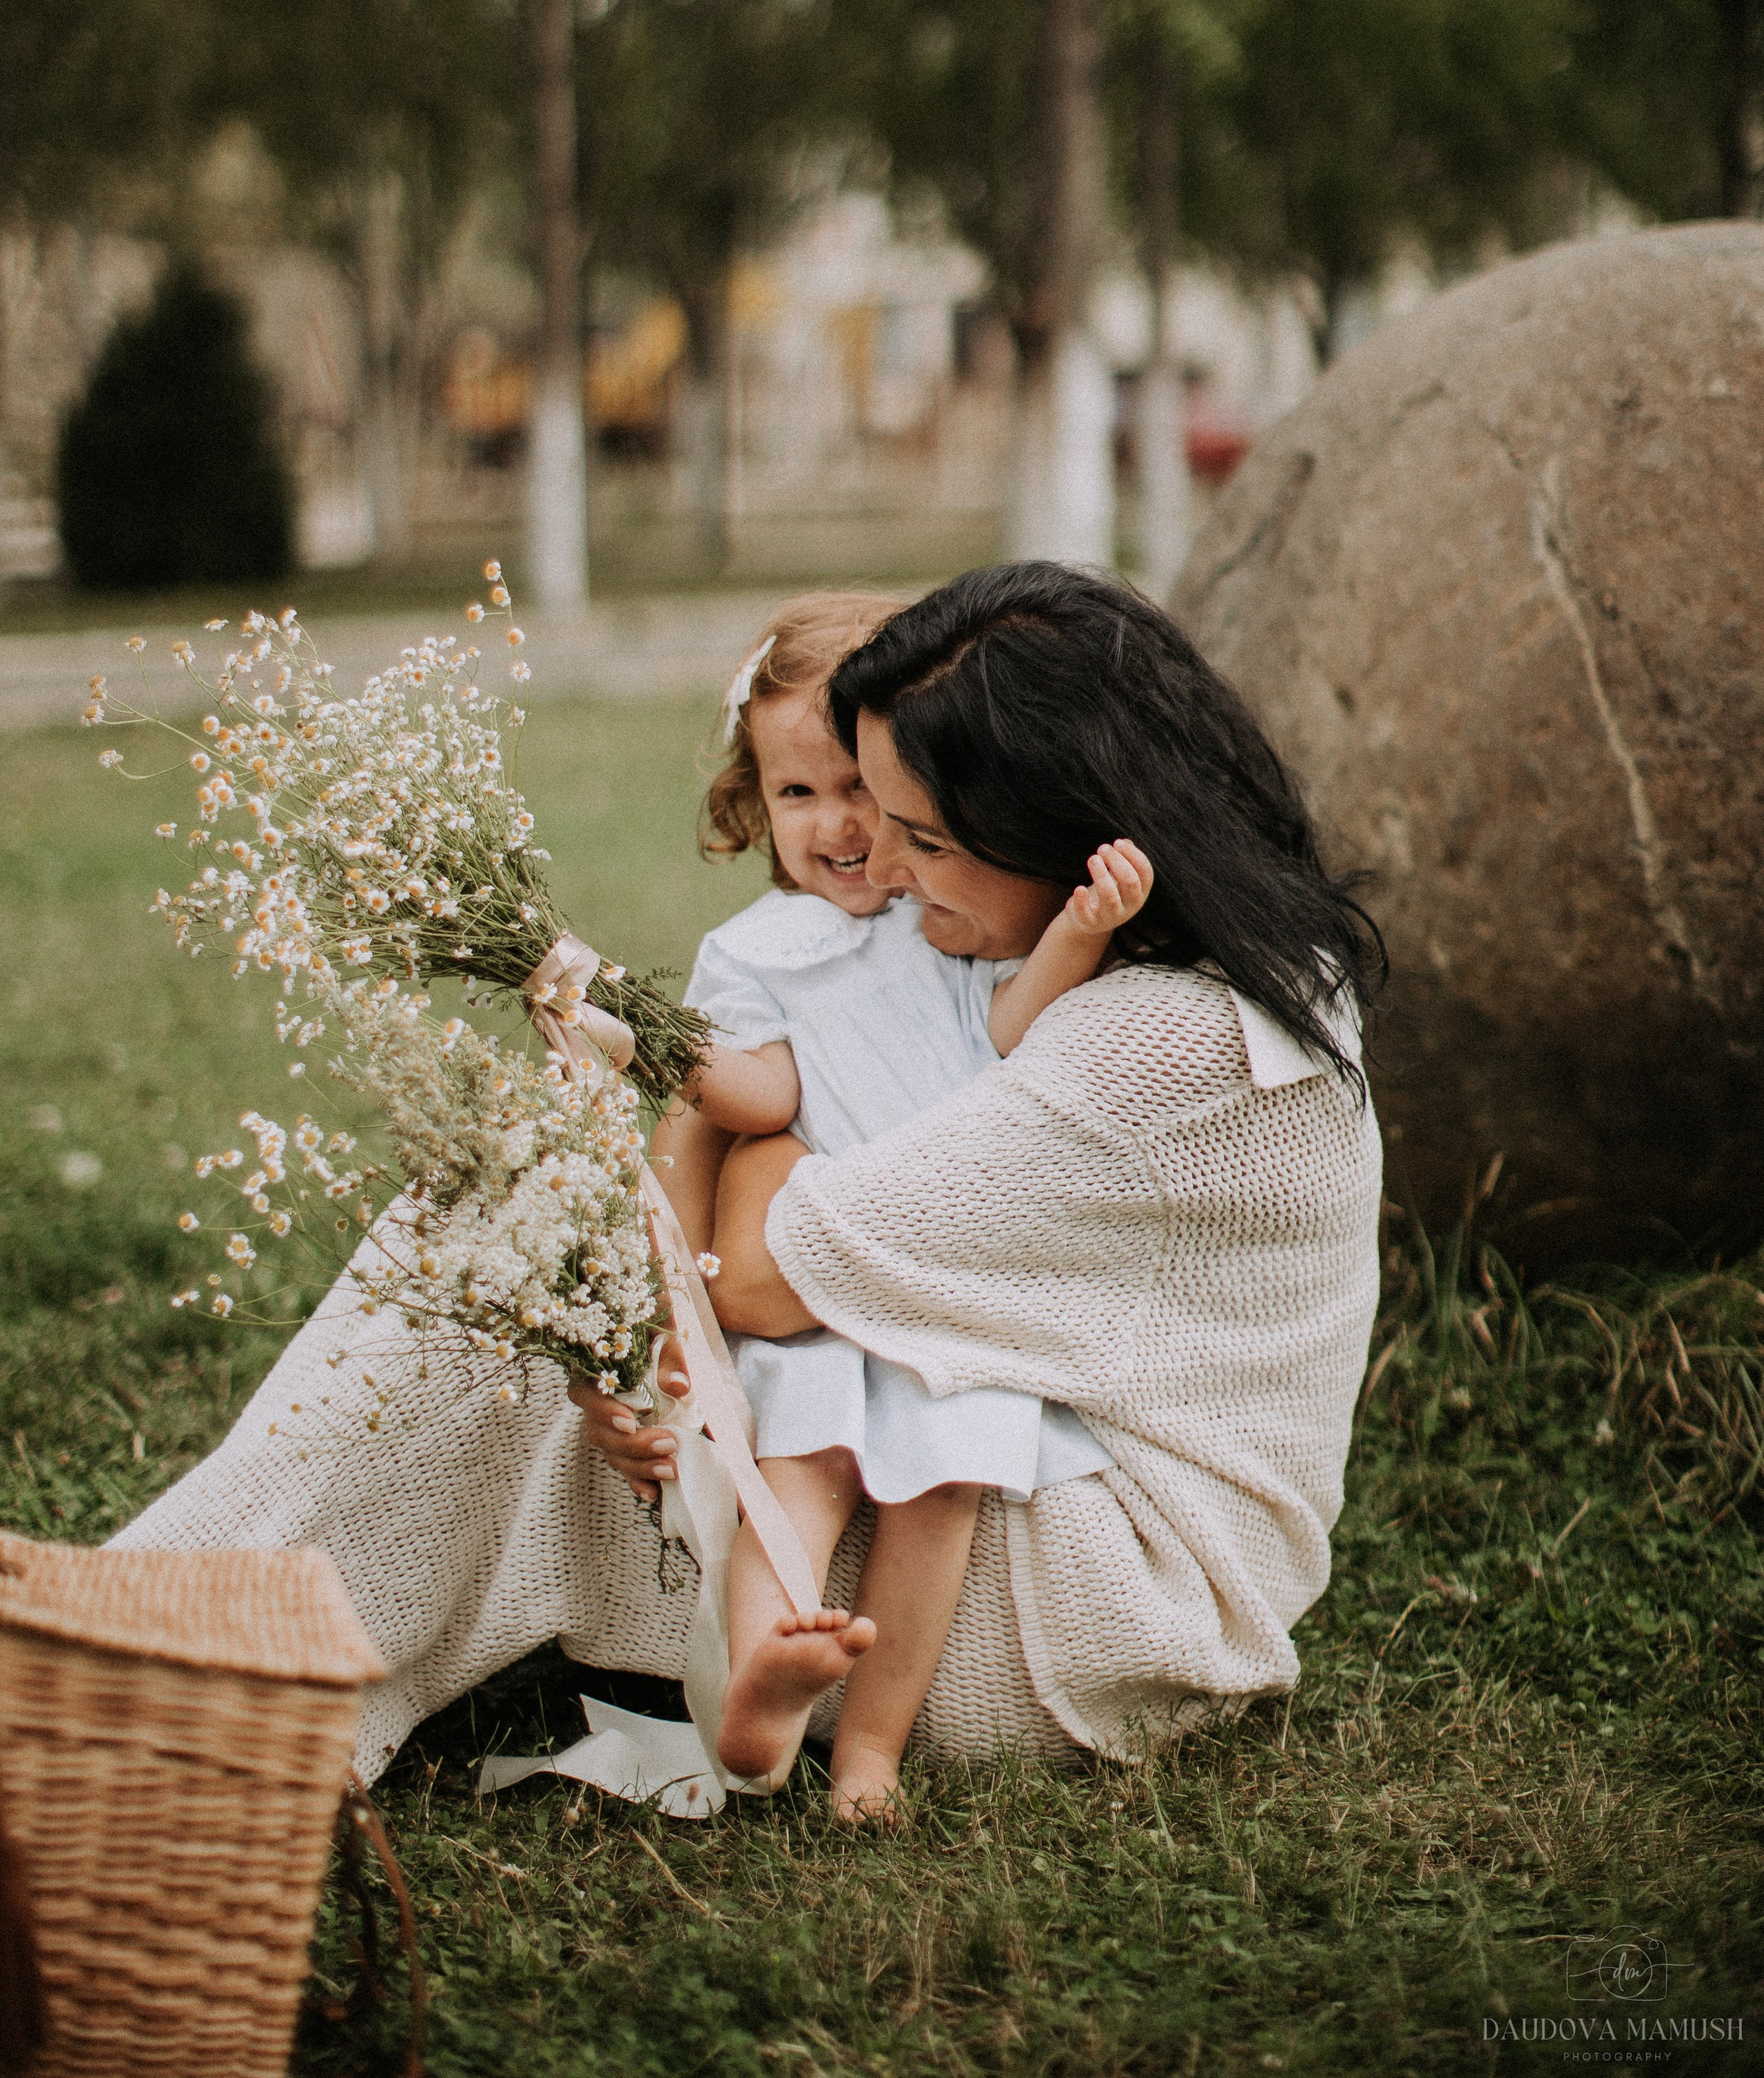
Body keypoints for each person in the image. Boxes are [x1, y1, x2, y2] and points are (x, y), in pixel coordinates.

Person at [116, 562, 1386, 1795]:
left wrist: (740, 1176)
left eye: (924, 839)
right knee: (541, 1238)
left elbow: (774, 1279)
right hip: (1037, 1482)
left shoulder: (1161, 1042)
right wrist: (626, 1323)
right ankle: (213, 1629)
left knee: (520, 1237)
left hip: (1101, 1605)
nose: (881, 868)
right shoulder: (1223, 958)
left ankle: (186, 1654)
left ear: (1063, 836)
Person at [658, 591, 1153, 1815]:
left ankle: (872, 1747)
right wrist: (654, 1039)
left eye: (858, 789)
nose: (836, 824)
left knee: (944, 1489)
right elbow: (759, 1089)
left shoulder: (943, 912)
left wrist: (1079, 937)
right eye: (795, 794)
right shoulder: (754, 952)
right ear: (753, 805)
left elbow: (1009, 1033)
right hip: (821, 1277)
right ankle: (758, 1697)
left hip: (937, 1274)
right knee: (801, 1465)